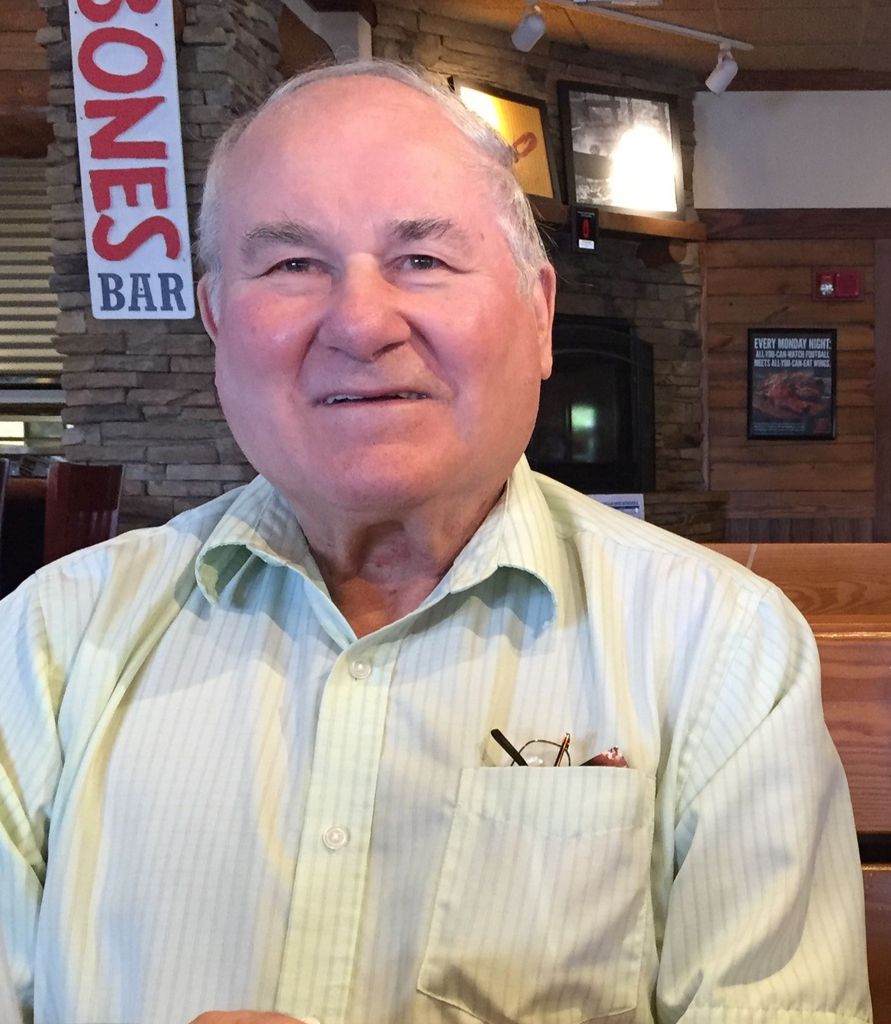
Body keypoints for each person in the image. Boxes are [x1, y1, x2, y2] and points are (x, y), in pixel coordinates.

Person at [0, 59, 872, 1024]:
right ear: (217, 322)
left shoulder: (720, 648)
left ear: (537, 314)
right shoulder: (47, 644)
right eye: (291, 265)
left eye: (421, 259)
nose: (361, 322)